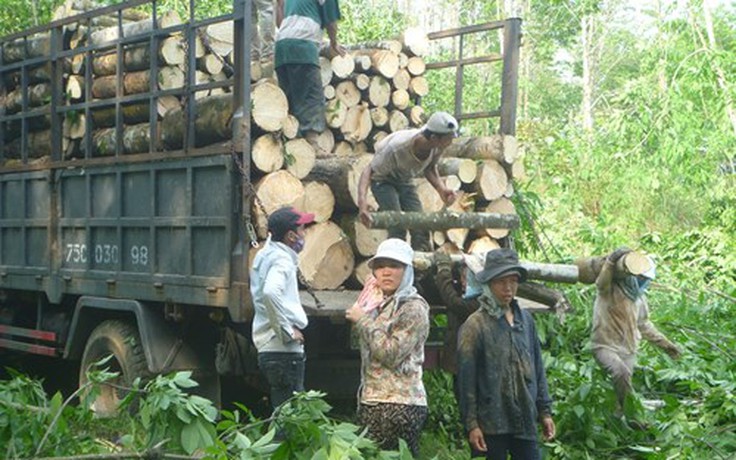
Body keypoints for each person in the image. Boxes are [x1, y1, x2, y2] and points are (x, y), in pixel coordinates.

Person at [458, 248, 555, 460]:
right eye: (501, 281)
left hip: (524, 417)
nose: (508, 288)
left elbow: (537, 368)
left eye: (513, 281)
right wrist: (472, 424)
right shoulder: (475, 325)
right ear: (489, 283)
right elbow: (466, 380)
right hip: (491, 422)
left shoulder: (525, 321)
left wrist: (544, 411)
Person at [345, 238, 430, 456]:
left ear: (407, 271)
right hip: (373, 401)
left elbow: (390, 353)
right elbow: (362, 346)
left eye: (394, 266)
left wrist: (363, 320)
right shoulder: (379, 305)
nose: (386, 272)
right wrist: (367, 303)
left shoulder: (413, 308)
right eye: (380, 266)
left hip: (400, 405)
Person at [591, 248, 682, 417]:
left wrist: (666, 344)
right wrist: (611, 260)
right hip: (604, 345)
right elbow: (600, 284)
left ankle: (621, 424)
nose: (642, 282)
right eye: (640, 278)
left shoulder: (639, 299)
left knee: (622, 391)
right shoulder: (610, 288)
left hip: (629, 349)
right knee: (620, 372)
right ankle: (635, 417)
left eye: (645, 279)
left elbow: (644, 325)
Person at [357, 111, 460, 251]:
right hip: (383, 181)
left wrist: (442, 189)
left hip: (404, 179)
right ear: (434, 138)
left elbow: (429, 168)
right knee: (398, 225)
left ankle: (420, 266)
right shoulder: (397, 147)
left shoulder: (437, 145)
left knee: (420, 225)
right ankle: (395, 264)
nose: (451, 142)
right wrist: (362, 203)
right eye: (448, 139)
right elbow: (369, 170)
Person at [250, 206, 314, 410]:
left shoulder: (267, 253)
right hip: (283, 351)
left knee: (283, 412)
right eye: (302, 230)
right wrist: (286, 331)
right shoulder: (282, 260)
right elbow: (270, 292)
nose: (305, 234)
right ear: (291, 236)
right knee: (290, 419)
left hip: (269, 348)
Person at [274, 0, 345, 150]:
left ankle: (291, 146)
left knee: (290, 101)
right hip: (303, 46)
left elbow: (279, 16)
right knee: (312, 96)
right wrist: (333, 43)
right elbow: (331, 21)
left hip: (281, 46)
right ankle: (312, 145)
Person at [433, 250, 480, 398]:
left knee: (473, 401)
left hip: (475, 364)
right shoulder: (464, 293)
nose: (465, 282)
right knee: (463, 401)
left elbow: (454, 302)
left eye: (470, 279)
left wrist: (443, 270)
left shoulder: (481, 302)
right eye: (463, 277)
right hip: (461, 362)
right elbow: (443, 293)